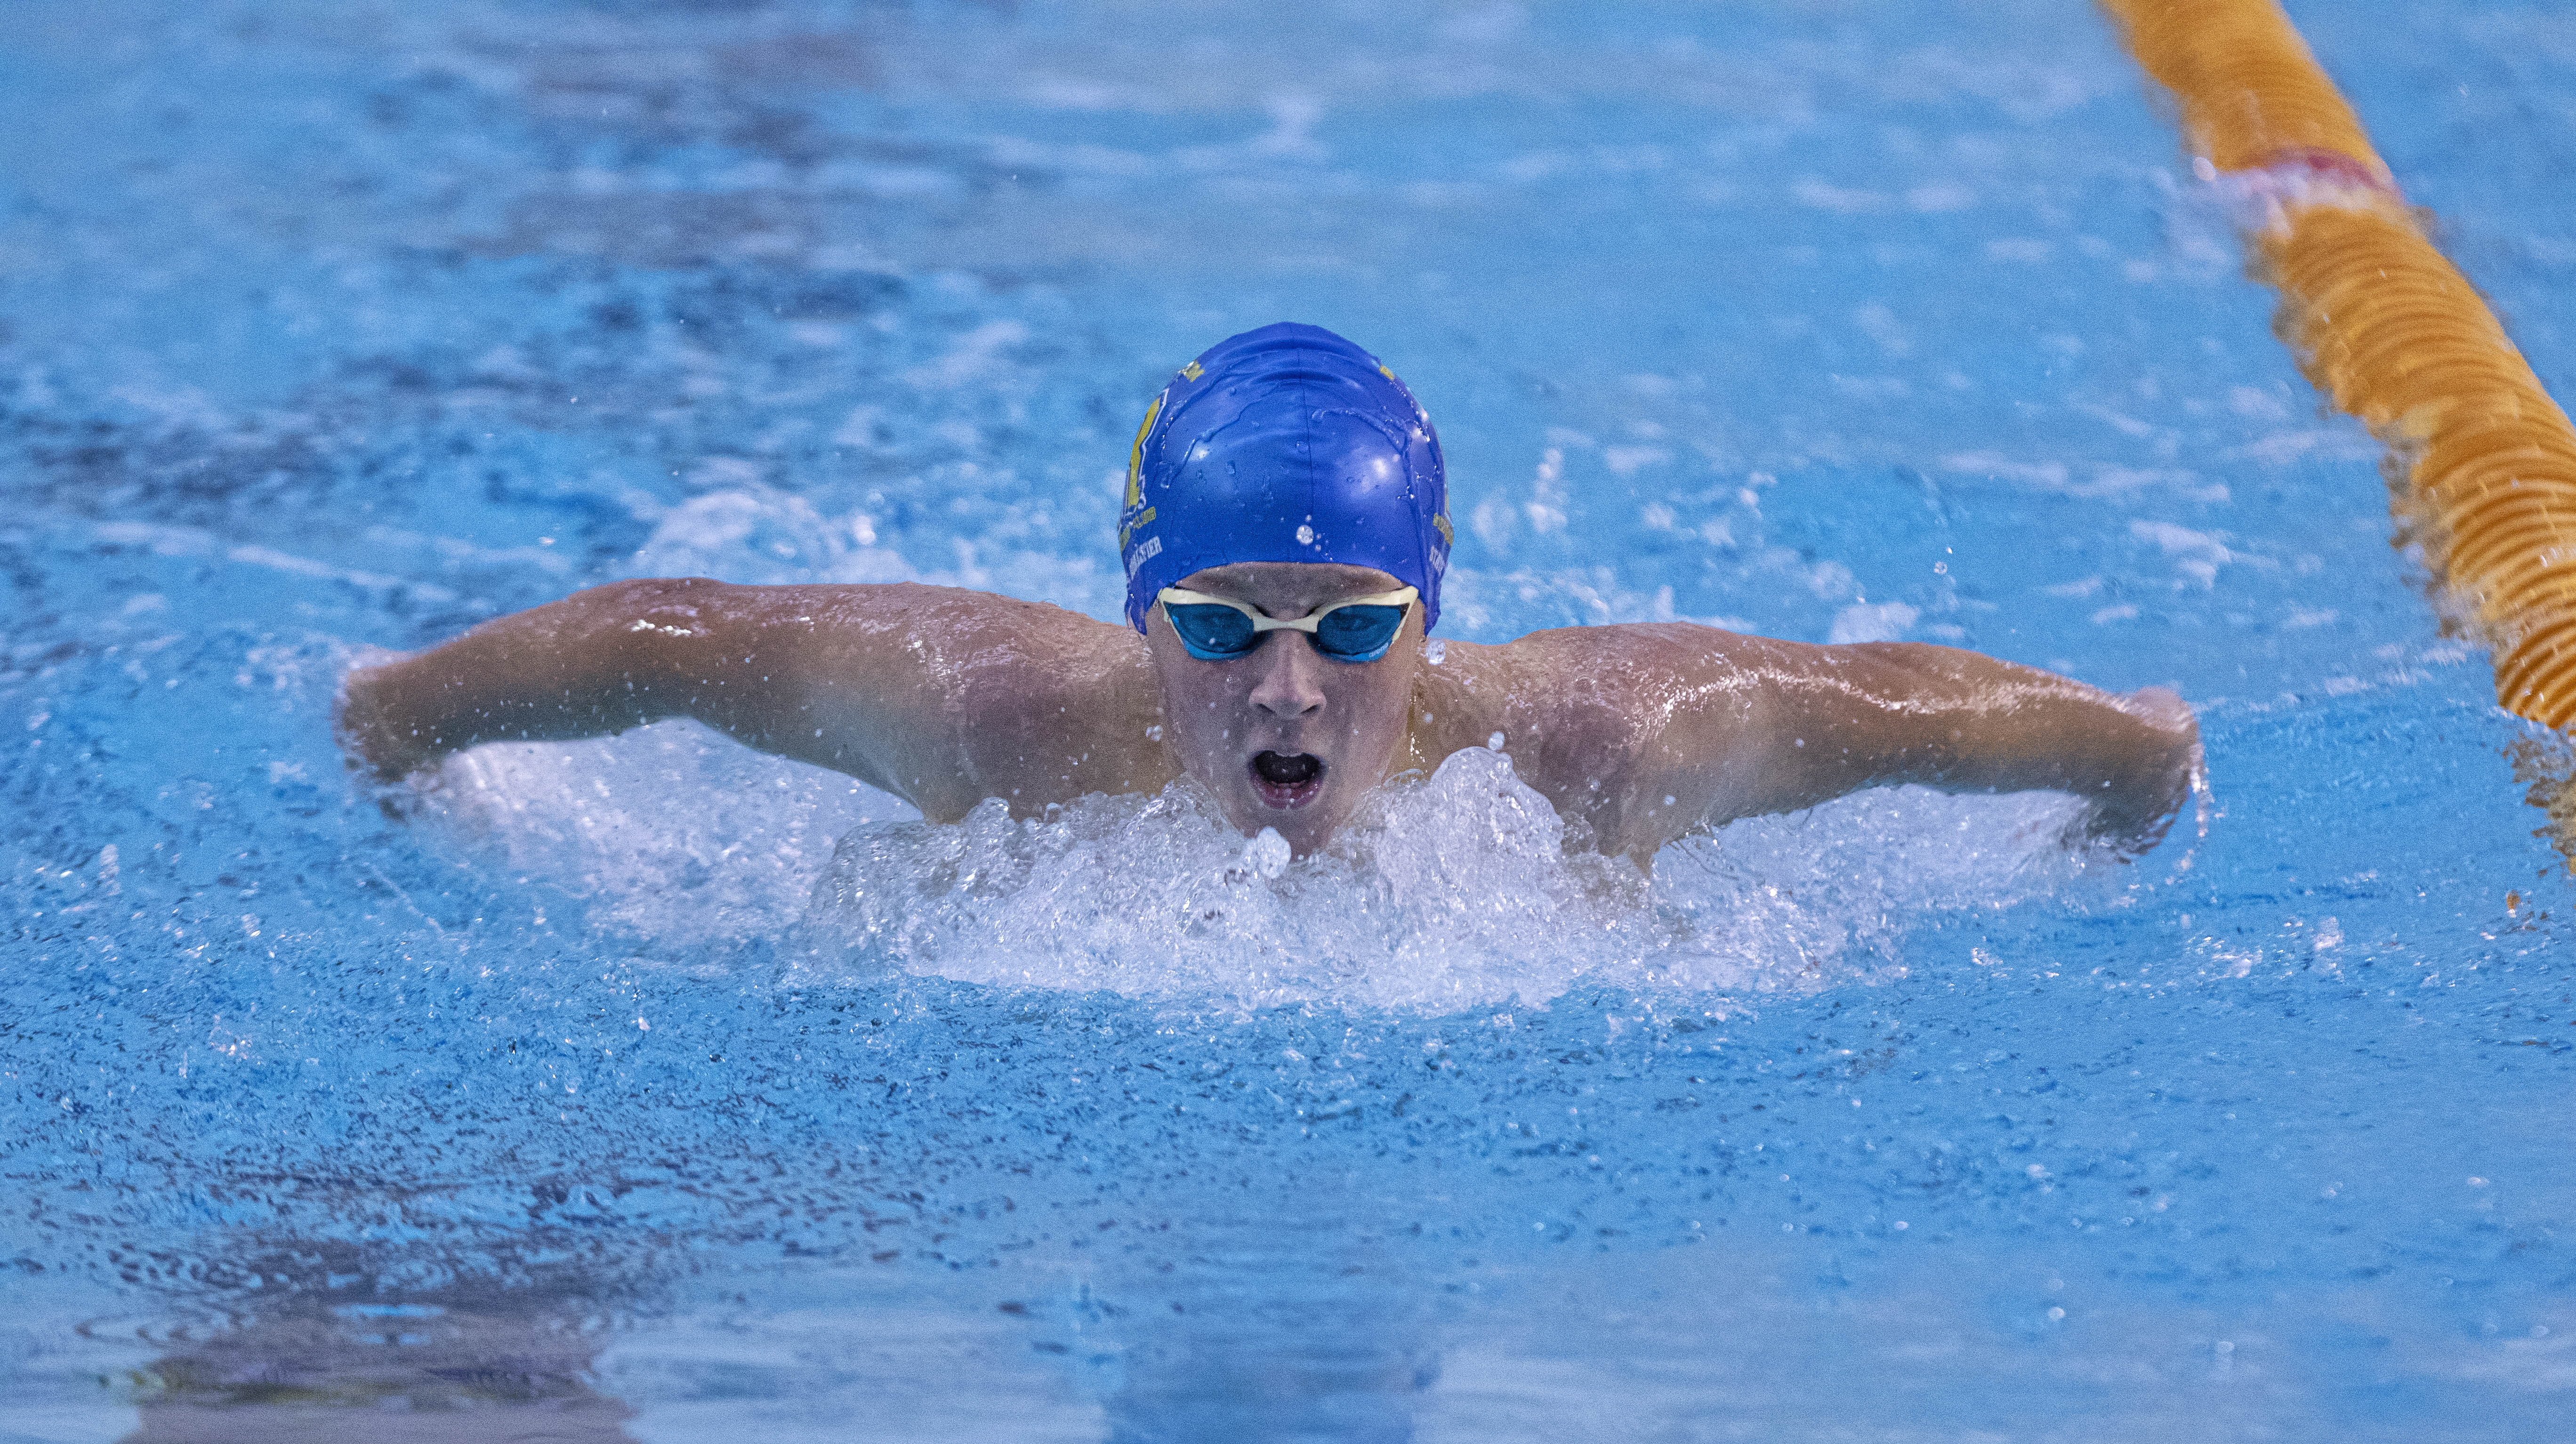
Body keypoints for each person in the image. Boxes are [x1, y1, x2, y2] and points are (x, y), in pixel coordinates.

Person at [337, 323, 2198, 863]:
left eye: (1352, 623)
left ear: (1428, 618)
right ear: (1144, 617)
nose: (1290, 691)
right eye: (1226, 624)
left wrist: (2126, 762)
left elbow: (1886, 703)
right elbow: (683, 642)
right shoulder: (1003, 722)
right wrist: (404, 717)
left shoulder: (1594, 750)